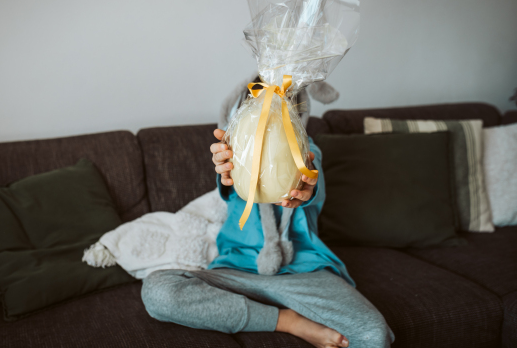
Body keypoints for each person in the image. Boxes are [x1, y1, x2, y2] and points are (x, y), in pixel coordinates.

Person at [141, 128, 395, 348]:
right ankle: (288, 321)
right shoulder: (236, 152)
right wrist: (226, 168)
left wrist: (304, 183)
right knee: (158, 290)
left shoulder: (307, 151)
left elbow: (311, 182)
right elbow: (230, 182)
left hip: (305, 273)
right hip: (234, 272)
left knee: (372, 335)